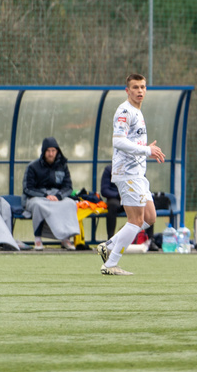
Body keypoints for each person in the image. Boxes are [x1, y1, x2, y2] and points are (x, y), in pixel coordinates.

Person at [96, 74, 165, 275]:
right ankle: (110, 264)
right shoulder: (125, 111)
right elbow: (118, 141)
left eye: (143, 87)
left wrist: (145, 149)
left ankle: (108, 246)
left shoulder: (137, 111)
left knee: (150, 217)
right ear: (127, 90)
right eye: (135, 87)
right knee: (135, 220)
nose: (140, 91)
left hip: (137, 172)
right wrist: (146, 151)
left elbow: (132, 142)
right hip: (127, 173)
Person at [23, 137, 79, 250]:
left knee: (70, 204)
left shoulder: (62, 165)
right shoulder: (32, 166)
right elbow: (27, 189)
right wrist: (45, 195)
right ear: (43, 152)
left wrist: (58, 196)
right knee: (38, 206)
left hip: (57, 197)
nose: (51, 154)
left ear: (57, 151)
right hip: (37, 197)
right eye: (48, 151)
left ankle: (65, 239)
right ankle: (38, 240)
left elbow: (68, 187)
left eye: (53, 151)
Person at [100, 164, 154, 244]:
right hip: (117, 199)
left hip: (133, 198)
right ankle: (111, 239)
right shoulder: (109, 169)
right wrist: (119, 195)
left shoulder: (138, 168)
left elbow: (143, 186)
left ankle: (150, 241)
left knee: (148, 208)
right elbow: (104, 190)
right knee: (112, 205)